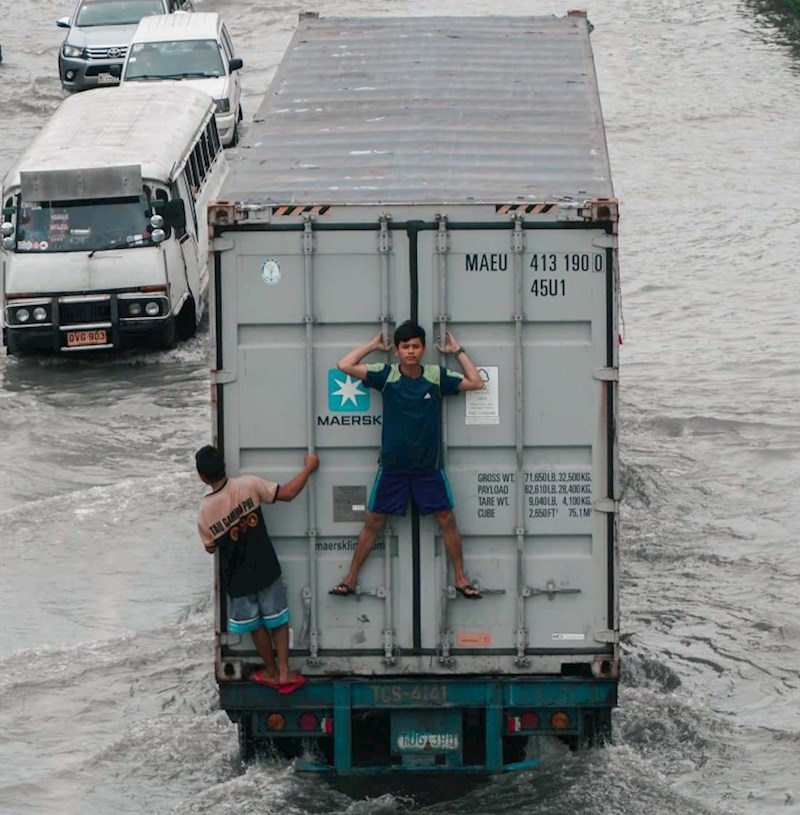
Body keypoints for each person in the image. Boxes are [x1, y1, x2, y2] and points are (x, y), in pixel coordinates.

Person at [329, 321, 485, 599]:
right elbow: (344, 365)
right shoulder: (385, 374)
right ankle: (350, 579)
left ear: (423, 349)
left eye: (415, 346)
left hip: (428, 469)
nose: (410, 352)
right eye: (405, 347)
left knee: (447, 519)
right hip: (393, 469)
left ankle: (461, 579)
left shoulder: (436, 376)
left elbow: (476, 382)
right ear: (398, 350)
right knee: (373, 521)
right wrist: (374, 346)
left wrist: (457, 350)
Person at [195, 444, 319, 690]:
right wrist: (308, 469)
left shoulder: (204, 512)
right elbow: (288, 493)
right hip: (265, 568)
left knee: (255, 625)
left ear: (201, 476)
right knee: (278, 620)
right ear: (225, 466)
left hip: (237, 580)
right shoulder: (248, 485)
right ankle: (285, 671)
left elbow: (210, 548)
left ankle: (271, 672)